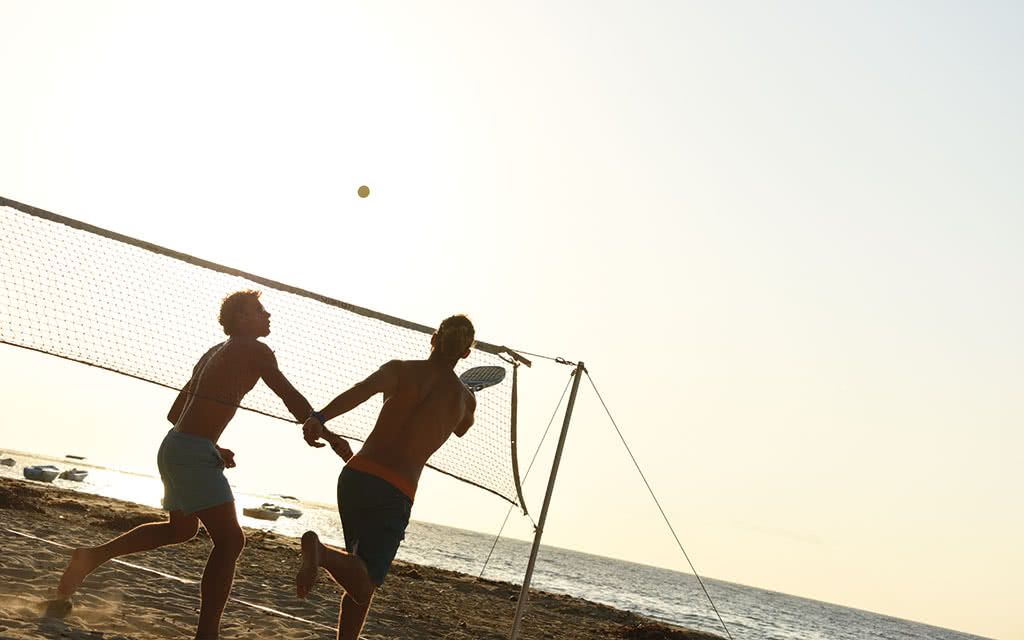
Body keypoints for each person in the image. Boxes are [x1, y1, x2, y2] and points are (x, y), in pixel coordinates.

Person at [56, 290, 317, 640]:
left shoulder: (212, 352)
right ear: (241, 317)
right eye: (259, 310)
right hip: (191, 450)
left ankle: (91, 557)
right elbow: (288, 395)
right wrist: (319, 425)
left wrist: (211, 444)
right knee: (230, 542)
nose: (268, 315)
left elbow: (175, 414)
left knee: (180, 531)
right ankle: (206, 633)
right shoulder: (255, 350)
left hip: (176, 446)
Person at [296, 314, 477, 640]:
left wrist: (319, 417)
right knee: (365, 583)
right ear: (466, 354)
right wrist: (467, 392)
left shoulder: (400, 369)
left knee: (357, 569)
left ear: (433, 339)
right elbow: (463, 428)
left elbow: (359, 391)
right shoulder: (465, 399)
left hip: (356, 476)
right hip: (395, 489)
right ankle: (320, 552)